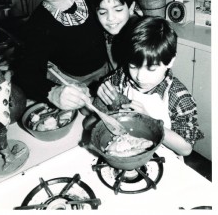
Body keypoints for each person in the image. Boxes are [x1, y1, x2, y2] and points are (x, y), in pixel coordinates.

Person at [85, 16, 204, 156]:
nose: (140, 77)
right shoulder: (122, 77)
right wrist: (101, 99)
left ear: (170, 61)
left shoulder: (179, 97)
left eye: (151, 69)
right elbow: (89, 122)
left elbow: (186, 149)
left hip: (163, 159)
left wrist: (148, 120)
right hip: (124, 150)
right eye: (133, 66)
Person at [11, 0, 109, 111]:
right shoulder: (38, 25)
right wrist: (54, 93)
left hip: (110, 73)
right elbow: (26, 74)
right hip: (75, 90)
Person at [89, 0, 143, 71]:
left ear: (131, 8)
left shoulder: (142, 37)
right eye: (102, 12)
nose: (110, 18)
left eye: (118, 10)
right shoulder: (112, 29)